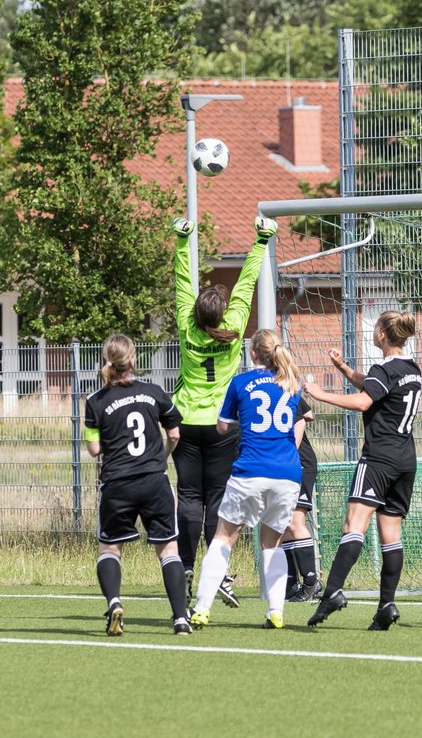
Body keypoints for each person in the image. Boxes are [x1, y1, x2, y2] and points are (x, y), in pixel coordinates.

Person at [170, 214, 278, 607]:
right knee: (218, 497)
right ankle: (220, 574)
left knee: (188, 496)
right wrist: (262, 240)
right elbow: (247, 281)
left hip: (184, 423)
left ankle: (183, 566)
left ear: (196, 313)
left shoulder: (186, 325)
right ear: (222, 312)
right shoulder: (233, 329)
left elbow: (183, 283)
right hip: (222, 425)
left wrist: (183, 241)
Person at [303, 311, 422, 631]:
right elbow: (376, 387)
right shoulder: (412, 369)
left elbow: (365, 401)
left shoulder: (382, 369)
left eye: (375, 328)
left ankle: (332, 592)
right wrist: (343, 369)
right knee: (390, 535)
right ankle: (387, 605)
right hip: (405, 460)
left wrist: (319, 394)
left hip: (378, 459)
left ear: (382, 334)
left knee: (353, 525)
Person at [188, 329, 303, 631]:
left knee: (224, 537)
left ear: (253, 354)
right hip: (288, 474)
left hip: (251, 470)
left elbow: (223, 427)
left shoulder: (240, 383)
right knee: (272, 544)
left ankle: (201, 608)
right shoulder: (292, 384)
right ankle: (276, 611)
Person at [83, 334, 191, 635]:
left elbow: (93, 450)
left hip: (117, 483)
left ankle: (115, 602)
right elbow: (174, 435)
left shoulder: (95, 400)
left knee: (110, 548)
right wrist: (160, 459)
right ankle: (180, 618)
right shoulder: (154, 392)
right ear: (133, 359)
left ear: (107, 360)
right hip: (154, 481)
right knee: (168, 549)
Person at [282, 396, 321, 602]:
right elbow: (309, 413)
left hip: (299, 464)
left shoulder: (284, 391)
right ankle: (291, 582)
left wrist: (289, 454)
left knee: (295, 521)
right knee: (282, 524)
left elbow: (303, 419)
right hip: (281, 466)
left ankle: (310, 581)